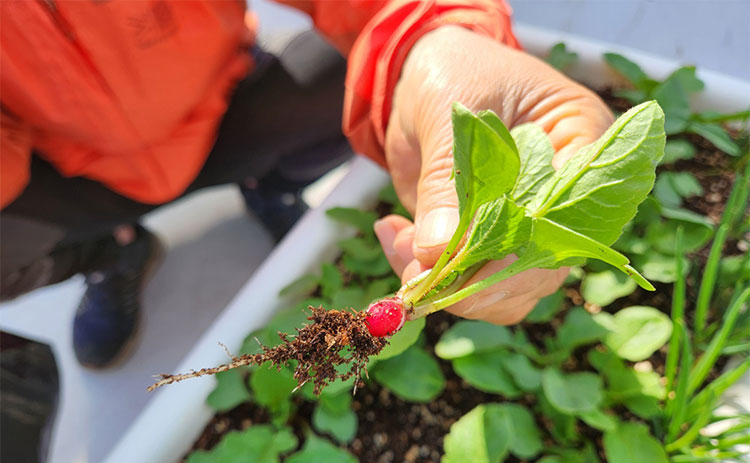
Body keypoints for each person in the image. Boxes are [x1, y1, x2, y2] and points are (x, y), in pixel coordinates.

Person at [0, 0, 613, 368]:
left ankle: (271, 184)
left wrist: (430, 37)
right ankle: (113, 253)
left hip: (222, 97)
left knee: (361, 77)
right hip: (82, 165)